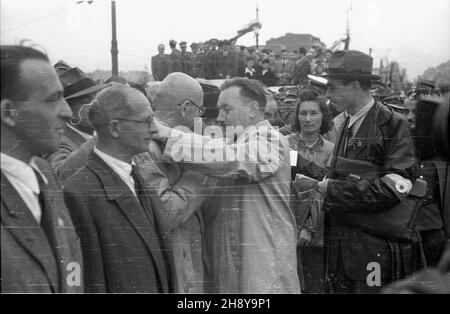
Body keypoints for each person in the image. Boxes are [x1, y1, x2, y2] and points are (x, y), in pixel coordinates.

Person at [154, 78, 300, 293]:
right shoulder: (236, 142)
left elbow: (232, 160)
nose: (220, 117)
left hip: (264, 275)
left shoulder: (272, 140)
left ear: (252, 109)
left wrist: (168, 134)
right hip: (239, 270)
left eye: (226, 109)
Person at [317, 50, 419, 293]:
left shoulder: (393, 123)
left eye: (333, 88)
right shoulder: (346, 122)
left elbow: (397, 187)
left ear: (354, 85)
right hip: (340, 248)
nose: (328, 96)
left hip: (372, 248)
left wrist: (334, 189)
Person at [63, 84, 175, 293]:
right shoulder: (78, 194)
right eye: (146, 121)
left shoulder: (137, 180)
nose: (154, 129)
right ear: (115, 128)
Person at [1, 45, 83, 293]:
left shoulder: (44, 174)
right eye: (52, 99)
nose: (67, 113)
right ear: (8, 112)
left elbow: (72, 267)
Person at [134, 72, 212, 293]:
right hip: (172, 264)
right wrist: (201, 174)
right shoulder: (146, 148)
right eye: (199, 110)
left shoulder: (172, 140)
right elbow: (165, 212)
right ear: (186, 107)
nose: (200, 117)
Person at [287, 89, 334, 293]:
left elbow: (323, 191)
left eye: (314, 113)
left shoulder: (331, 149)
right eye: (303, 113)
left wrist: (309, 226)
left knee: (314, 285)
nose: (307, 119)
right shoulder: (285, 144)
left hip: (316, 231)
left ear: (323, 116)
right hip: (285, 223)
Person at [404, 97, 448, 267]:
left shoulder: (440, 150)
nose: (409, 116)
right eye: (405, 111)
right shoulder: (401, 143)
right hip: (406, 224)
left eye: (415, 112)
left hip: (432, 226)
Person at [46, 65, 107, 176]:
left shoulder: (93, 135)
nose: (95, 107)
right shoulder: (58, 141)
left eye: (96, 100)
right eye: (85, 101)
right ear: (66, 109)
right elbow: (60, 173)